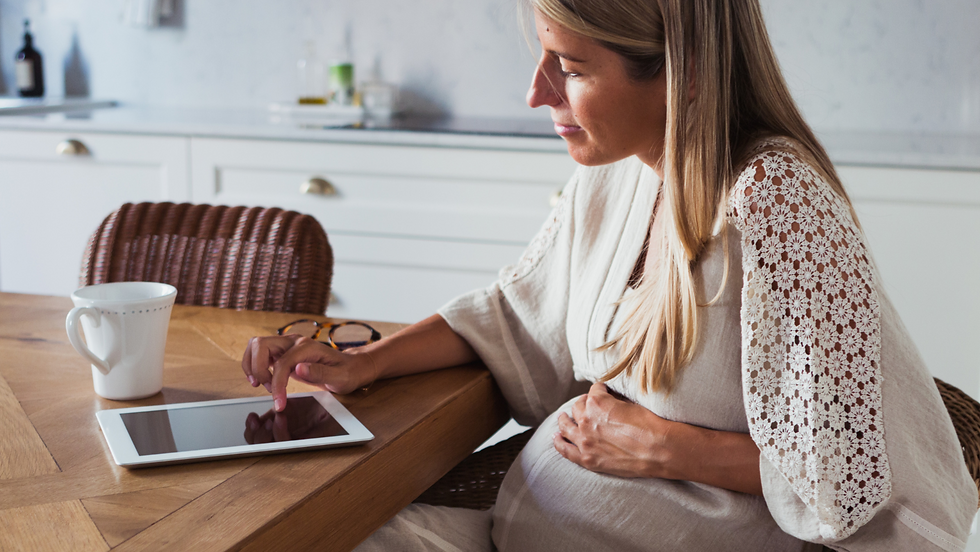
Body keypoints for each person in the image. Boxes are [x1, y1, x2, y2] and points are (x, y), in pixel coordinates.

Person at [241, 0, 978, 550]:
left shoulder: (777, 204)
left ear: (686, 71)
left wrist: (665, 448)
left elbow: (840, 480)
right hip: (532, 526)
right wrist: (364, 361)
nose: (537, 93)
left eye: (570, 68)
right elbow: (519, 312)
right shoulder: (618, 170)